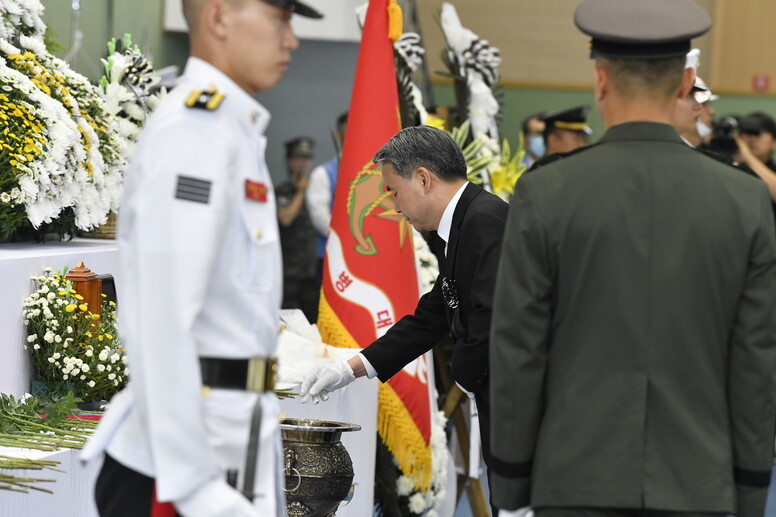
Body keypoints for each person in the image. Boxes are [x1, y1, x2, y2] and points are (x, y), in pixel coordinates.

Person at [489, 3, 776, 517]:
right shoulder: (745, 199)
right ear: (686, 81)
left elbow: (518, 351)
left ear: (600, 80)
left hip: (573, 481)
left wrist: (510, 481)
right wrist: (752, 490)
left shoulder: (546, 192)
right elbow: (756, 362)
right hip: (700, 485)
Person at [81, 1, 322, 516]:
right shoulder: (196, 130)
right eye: (280, 19)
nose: (292, 40)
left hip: (228, 444)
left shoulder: (229, 129)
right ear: (218, 17)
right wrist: (194, 488)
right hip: (180, 469)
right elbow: (162, 317)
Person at [299, 125, 509, 516]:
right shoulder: (464, 222)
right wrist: (351, 368)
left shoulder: (484, 221)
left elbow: (494, 319)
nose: (393, 206)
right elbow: (432, 315)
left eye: (394, 191)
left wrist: (466, 374)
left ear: (424, 178)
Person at [306, 111, 348, 315]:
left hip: (367, 259)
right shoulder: (323, 174)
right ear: (339, 136)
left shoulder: (377, 173)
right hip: (330, 258)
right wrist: (350, 239)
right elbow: (320, 217)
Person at [277, 136, 318, 323]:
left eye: (307, 158)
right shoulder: (282, 191)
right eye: (298, 158)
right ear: (289, 160)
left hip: (311, 269)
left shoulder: (316, 190)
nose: (303, 163)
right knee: (288, 321)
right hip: (288, 272)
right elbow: (286, 218)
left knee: (312, 322)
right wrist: (301, 192)